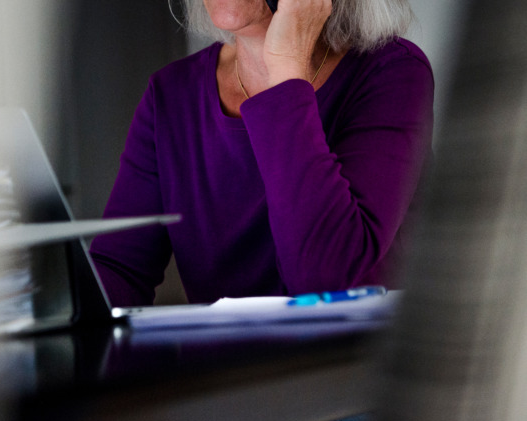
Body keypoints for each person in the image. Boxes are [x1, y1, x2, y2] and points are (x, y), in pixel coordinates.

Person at [90, 0, 434, 307]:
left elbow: (325, 281)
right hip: (222, 376)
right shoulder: (171, 94)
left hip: (339, 369)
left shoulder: (392, 72)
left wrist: (286, 68)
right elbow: (119, 271)